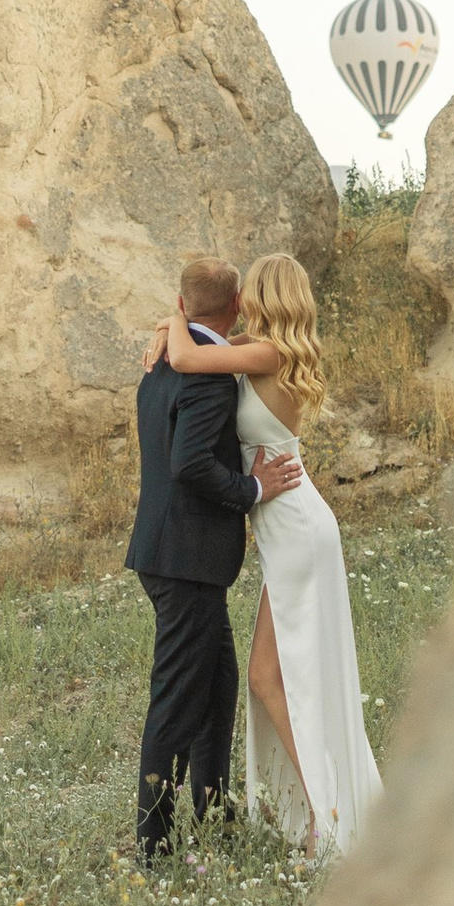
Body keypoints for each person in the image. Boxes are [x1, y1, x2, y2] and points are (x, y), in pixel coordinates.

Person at [146, 251, 384, 856]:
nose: (243, 299)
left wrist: (170, 320)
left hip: (296, 528)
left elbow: (188, 355)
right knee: (272, 676)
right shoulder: (267, 347)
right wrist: (171, 322)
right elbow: (196, 342)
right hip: (290, 529)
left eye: (251, 289)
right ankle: (318, 810)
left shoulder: (267, 355)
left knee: (275, 678)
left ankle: (325, 820)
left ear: (261, 296)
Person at [126, 251, 302, 863]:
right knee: (177, 699)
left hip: (174, 554)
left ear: (180, 305)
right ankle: (154, 845)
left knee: (220, 683)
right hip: (186, 559)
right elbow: (192, 463)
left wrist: (165, 324)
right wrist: (252, 489)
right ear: (236, 308)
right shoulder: (203, 373)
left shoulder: (162, 363)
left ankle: (212, 808)